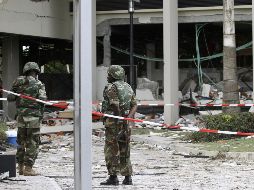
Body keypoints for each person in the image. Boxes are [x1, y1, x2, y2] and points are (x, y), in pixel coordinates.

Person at [7, 62, 47, 176]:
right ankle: (28, 169)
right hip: (33, 118)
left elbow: (10, 97)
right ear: (36, 71)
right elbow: (43, 99)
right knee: (33, 142)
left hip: (21, 118)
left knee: (21, 142)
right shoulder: (39, 84)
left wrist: (20, 93)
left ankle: (20, 167)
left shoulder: (18, 81)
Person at [100, 65, 137, 186]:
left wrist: (119, 119)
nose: (107, 76)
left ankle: (113, 177)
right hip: (126, 122)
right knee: (125, 149)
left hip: (113, 122)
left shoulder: (111, 87)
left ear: (113, 75)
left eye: (108, 74)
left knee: (111, 149)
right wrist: (127, 119)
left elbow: (115, 105)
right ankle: (127, 177)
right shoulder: (128, 86)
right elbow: (135, 105)